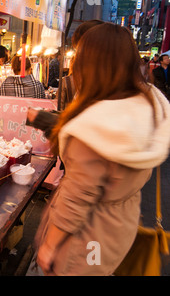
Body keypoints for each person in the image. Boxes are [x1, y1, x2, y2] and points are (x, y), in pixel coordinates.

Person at [34, 23, 170, 276]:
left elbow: (77, 198)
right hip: (119, 226)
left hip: (86, 239)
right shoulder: (145, 104)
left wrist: (49, 246)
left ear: (89, 64)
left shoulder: (97, 125)